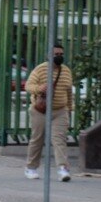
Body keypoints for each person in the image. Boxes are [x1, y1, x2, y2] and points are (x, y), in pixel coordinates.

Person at [24, 43, 75, 182]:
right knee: (37, 139)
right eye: (56, 54)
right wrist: (40, 88)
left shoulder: (66, 71)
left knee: (59, 140)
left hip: (60, 110)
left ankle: (63, 168)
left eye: (61, 54)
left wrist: (70, 108)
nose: (59, 57)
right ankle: (31, 167)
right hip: (40, 110)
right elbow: (29, 86)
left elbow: (69, 91)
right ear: (48, 56)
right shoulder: (40, 70)